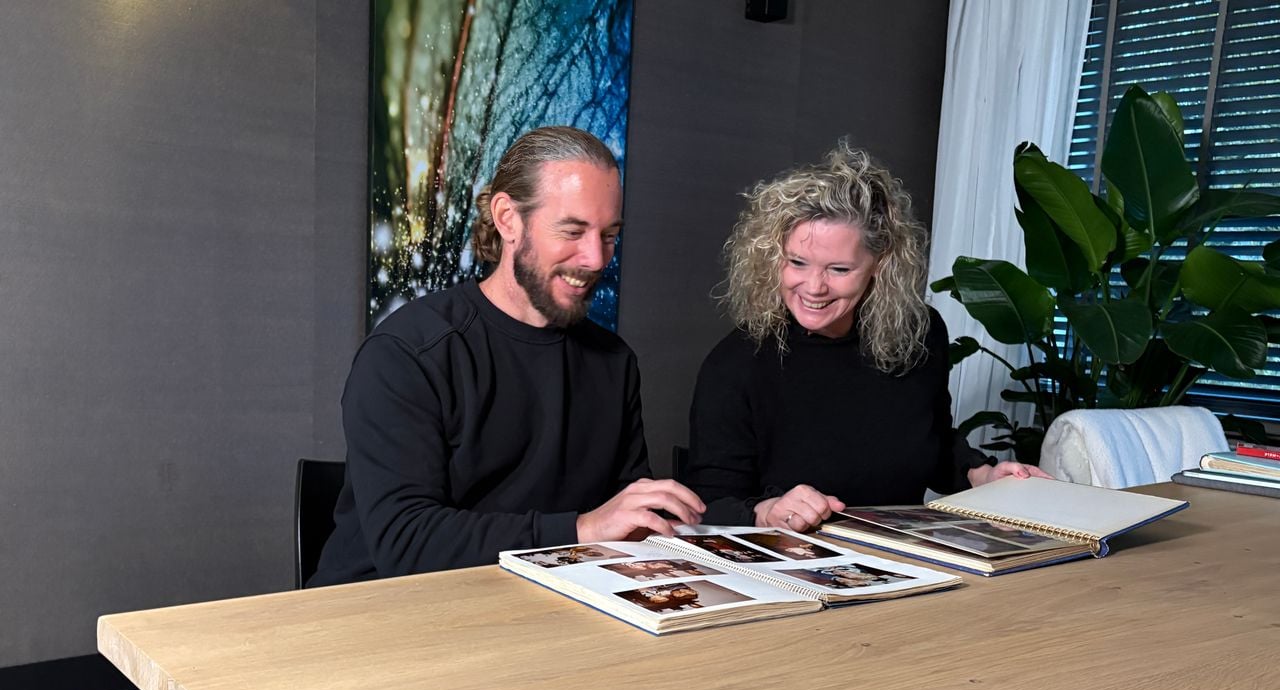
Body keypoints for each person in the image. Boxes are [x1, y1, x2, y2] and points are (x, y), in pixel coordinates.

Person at [310, 127, 704, 586]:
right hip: (385, 606)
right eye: (573, 231)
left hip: (538, 599)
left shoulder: (614, 362)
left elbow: (625, 516)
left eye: (610, 235)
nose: (596, 258)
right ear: (508, 218)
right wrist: (581, 530)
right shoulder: (409, 353)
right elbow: (407, 542)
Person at [686, 141, 1048, 533]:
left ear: (880, 264)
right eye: (797, 262)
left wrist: (983, 476)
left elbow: (933, 445)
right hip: (790, 559)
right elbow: (710, 507)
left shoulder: (919, 333)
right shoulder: (735, 363)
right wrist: (767, 510)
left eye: (839, 269)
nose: (814, 287)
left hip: (904, 552)